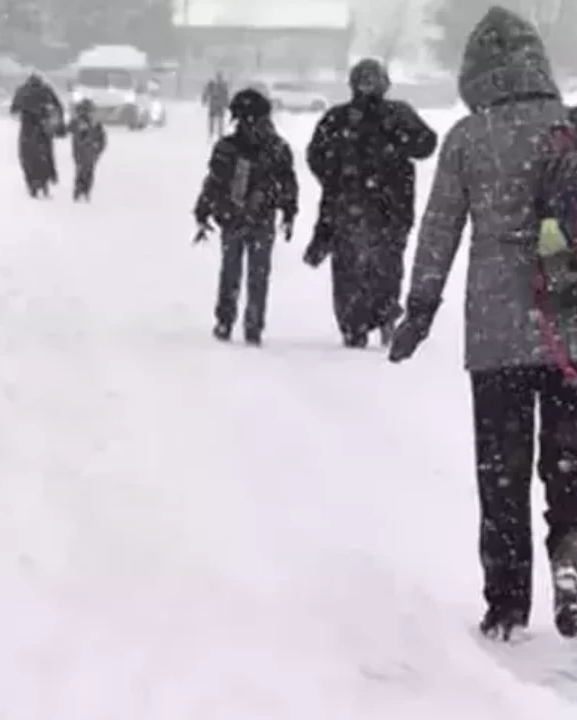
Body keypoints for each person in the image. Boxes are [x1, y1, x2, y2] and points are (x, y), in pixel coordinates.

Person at [388, 6, 577, 642]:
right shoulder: (568, 126)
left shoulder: (469, 137)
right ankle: (573, 558)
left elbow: (439, 227)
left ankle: (506, 605)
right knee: (570, 463)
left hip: (496, 331)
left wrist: (420, 307)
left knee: (502, 470)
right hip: (568, 321)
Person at [305, 58, 438, 348]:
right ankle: (370, 319)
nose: (368, 86)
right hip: (374, 206)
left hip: (375, 207)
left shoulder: (382, 115)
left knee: (366, 267)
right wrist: (338, 177)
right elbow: (316, 156)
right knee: (369, 266)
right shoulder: (345, 117)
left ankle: (368, 320)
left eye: (371, 80)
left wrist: (338, 178)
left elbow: (426, 144)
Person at [193, 88, 298, 346]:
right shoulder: (269, 147)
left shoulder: (252, 148)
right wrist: (204, 209)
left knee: (243, 273)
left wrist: (288, 210)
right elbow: (215, 181)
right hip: (242, 218)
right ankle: (239, 321)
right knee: (245, 273)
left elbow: (287, 183)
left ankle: (240, 322)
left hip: (245, 217)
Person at [10, 74, 64, 197]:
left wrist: (23, 110)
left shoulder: (23, 90)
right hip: (43, 127)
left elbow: (13, 109)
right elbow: (58, 107)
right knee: (45, 155)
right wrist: (58, 126)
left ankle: (32, 183)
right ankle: (44, 182)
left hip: (27, 128)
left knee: (27, 156)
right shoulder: (46, 90)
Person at [67, 98, 107, 202]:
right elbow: (69, 129)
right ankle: (81, 191)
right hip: (83, 151)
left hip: (89, 151)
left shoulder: (94, 123)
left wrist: (99, 148)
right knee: (83, 171)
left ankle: (83, 191)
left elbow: (102, 138)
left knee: (86, 171)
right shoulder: (79, 122)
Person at [201, 71, 230, 141]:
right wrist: (204, 99)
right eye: (218, 77)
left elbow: (226, 95)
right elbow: (206, 92)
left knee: (220, 122)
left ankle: (220, 136)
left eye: (220, 77)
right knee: (212, 121)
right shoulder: (212, 85)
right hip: (213, 106)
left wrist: (227, 104)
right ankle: (211, 135)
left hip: (219, 106)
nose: (219, 78)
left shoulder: (223, 85)